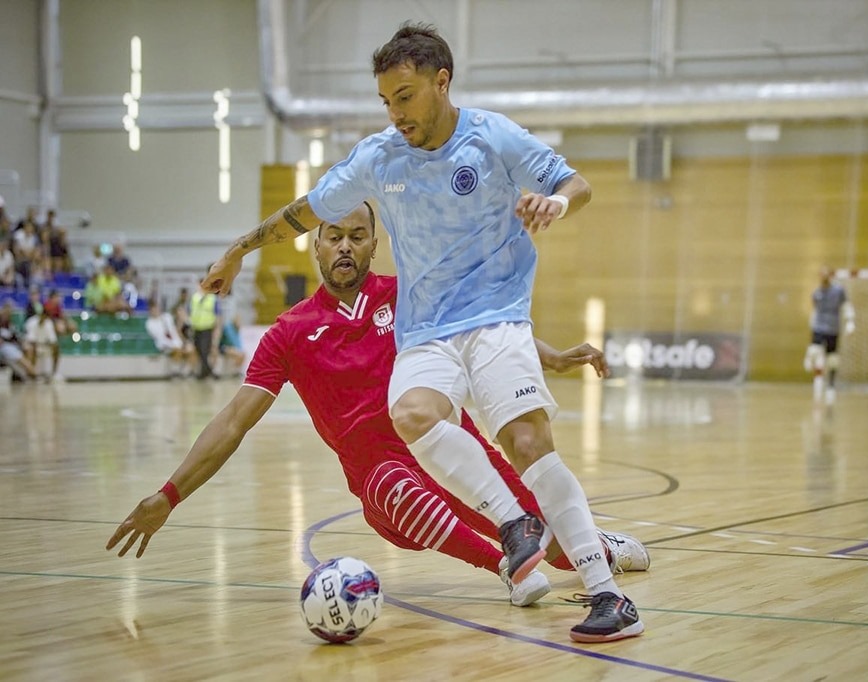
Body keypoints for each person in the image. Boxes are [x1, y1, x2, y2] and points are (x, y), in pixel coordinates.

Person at [201, 23, 641, 643]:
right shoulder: (379, 158)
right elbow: (306, 210)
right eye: (386, 100)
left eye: (404, 96)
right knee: (413, 412)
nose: (395, 113)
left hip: (495, 316)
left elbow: (577, 183)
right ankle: (515, 526)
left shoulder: (491, 137)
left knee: (525, 440)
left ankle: (609, 596)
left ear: (441, 82)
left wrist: (556, 204)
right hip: (427, 331)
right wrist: (240, 247)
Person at [107, 204, 649, 610]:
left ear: (373, 245)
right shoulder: (289, 333)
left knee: (556, 551)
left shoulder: (409, 293)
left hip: (458, 456)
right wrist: (169, 495)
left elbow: (483, 325)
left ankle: (598, 546)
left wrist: (550, 356)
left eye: (357, 237)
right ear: (316, 246)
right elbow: (232, 421)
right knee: (397, 486)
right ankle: (504, 565)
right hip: (386, 488)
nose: (345, 246)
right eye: (334, 236)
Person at [804, 267, 855, 405]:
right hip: (819, 327)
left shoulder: (838, 291)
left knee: (832, 358)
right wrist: (812, 323)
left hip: (833, 328)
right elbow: (815, 310)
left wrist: (850, 321)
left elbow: (846, 305)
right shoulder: (817, 293)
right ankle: (817, 380)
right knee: (815, 351)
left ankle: (831, 385)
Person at [144, 300, 193, 377]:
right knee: (177, 350)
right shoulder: (149, 323)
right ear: (150, 311)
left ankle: (186, 370)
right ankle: (175, 371)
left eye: (157, 308)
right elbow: (160, 337)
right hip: (164, 344)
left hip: (176, 341)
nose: (156, 311)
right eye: (153, 310)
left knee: (190, 349)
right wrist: (174, 345)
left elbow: (174, 330)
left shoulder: (167, 317)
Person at [189, 276, 221, 379]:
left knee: (204, 350)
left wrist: (216, 329)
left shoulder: (212, 298)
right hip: (196, 328)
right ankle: (207, 372)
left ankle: (205, 372)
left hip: (207, 328)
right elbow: (190, 312)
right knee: (199, 350)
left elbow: (217, 315)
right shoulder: (194, 298)